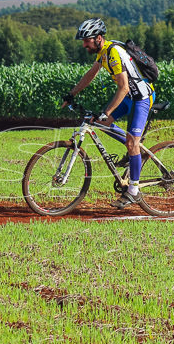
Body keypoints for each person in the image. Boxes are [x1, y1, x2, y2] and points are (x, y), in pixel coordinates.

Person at [63, 18, 155, 209]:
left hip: (141, 98)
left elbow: (123, 87)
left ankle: (133, 192)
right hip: (129, 97)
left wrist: (107, 111)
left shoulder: (114, 53)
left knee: (130, 141)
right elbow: (90, 74)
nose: (84, 44)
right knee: (102, 124)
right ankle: (135, 153)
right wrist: (71, 94)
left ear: (98, 38)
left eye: (86, 40)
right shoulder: (103, 53)